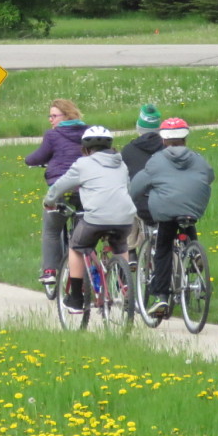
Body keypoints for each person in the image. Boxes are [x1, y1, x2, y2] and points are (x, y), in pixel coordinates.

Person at [41, 126, 136, 313]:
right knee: (120, 245)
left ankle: (76, 298)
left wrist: (49, 202)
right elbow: (127, 189)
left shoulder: (82, 164)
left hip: (96, 218)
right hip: (124, 218)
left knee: (76, 247)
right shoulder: (122, 165)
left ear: (85, 148)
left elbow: (59, 186)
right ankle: (126, 288)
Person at [128, 117, 215, 318]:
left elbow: (138, 185)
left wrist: (132, 197)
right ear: (185, 137)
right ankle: (194, 253)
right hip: (193, 206)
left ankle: (161, 297)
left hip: (165, 210)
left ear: (163, 139)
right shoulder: (197, 157)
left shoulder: (157, 160)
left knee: (164, 247)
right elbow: (209, 176)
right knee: (186, 220)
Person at [25, 99, 89, 286]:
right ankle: (83, 269)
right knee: (82, 231)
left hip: (61, 187)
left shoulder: (53, 135)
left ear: (66, 115)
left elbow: (38, 157)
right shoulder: (88, 132)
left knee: (51, 230)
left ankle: (50, 270)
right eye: (50, 116)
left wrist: (28, 160)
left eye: (54, 116)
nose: (50, 120)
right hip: (85, 189)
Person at [121, 103, 164, 257]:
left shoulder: (128, 150)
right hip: (166, 201)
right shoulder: (168, 149)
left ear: (139, 127)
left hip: (140, 205)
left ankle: (131, 250)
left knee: (126, 202)